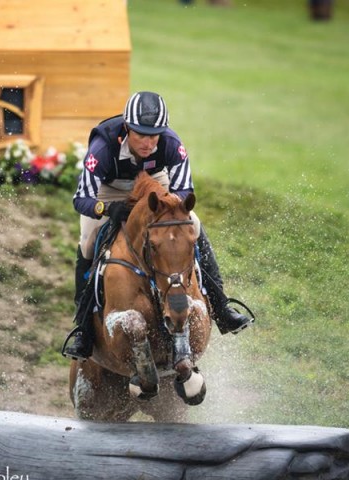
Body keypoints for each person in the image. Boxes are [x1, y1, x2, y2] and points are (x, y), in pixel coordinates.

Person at [62, 91, 252, 361]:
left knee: (194, 227)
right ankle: (83, 329)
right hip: (110, 190)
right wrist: (107, 209)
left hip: (155, 184)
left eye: (155, 135)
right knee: (88, 241)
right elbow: (81, 199)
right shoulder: (103, 147)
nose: (149, 142)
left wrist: (168, 205)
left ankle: (222, 307)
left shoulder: (172, 144)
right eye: (141, 134)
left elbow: (185, 190)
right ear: (127, 128)